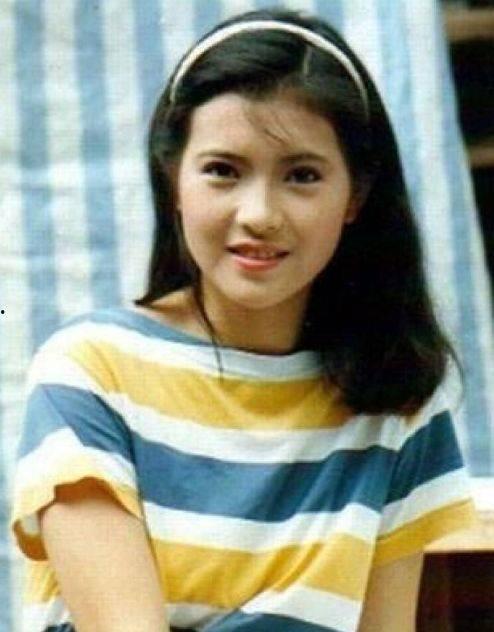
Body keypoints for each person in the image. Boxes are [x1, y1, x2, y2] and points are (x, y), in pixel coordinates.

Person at [11, 7, 478, 632]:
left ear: (356, 196)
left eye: (302, 176)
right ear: (173, 180)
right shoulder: (90, 374)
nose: (258, 214)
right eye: (223, 171)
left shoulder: (398, 405)